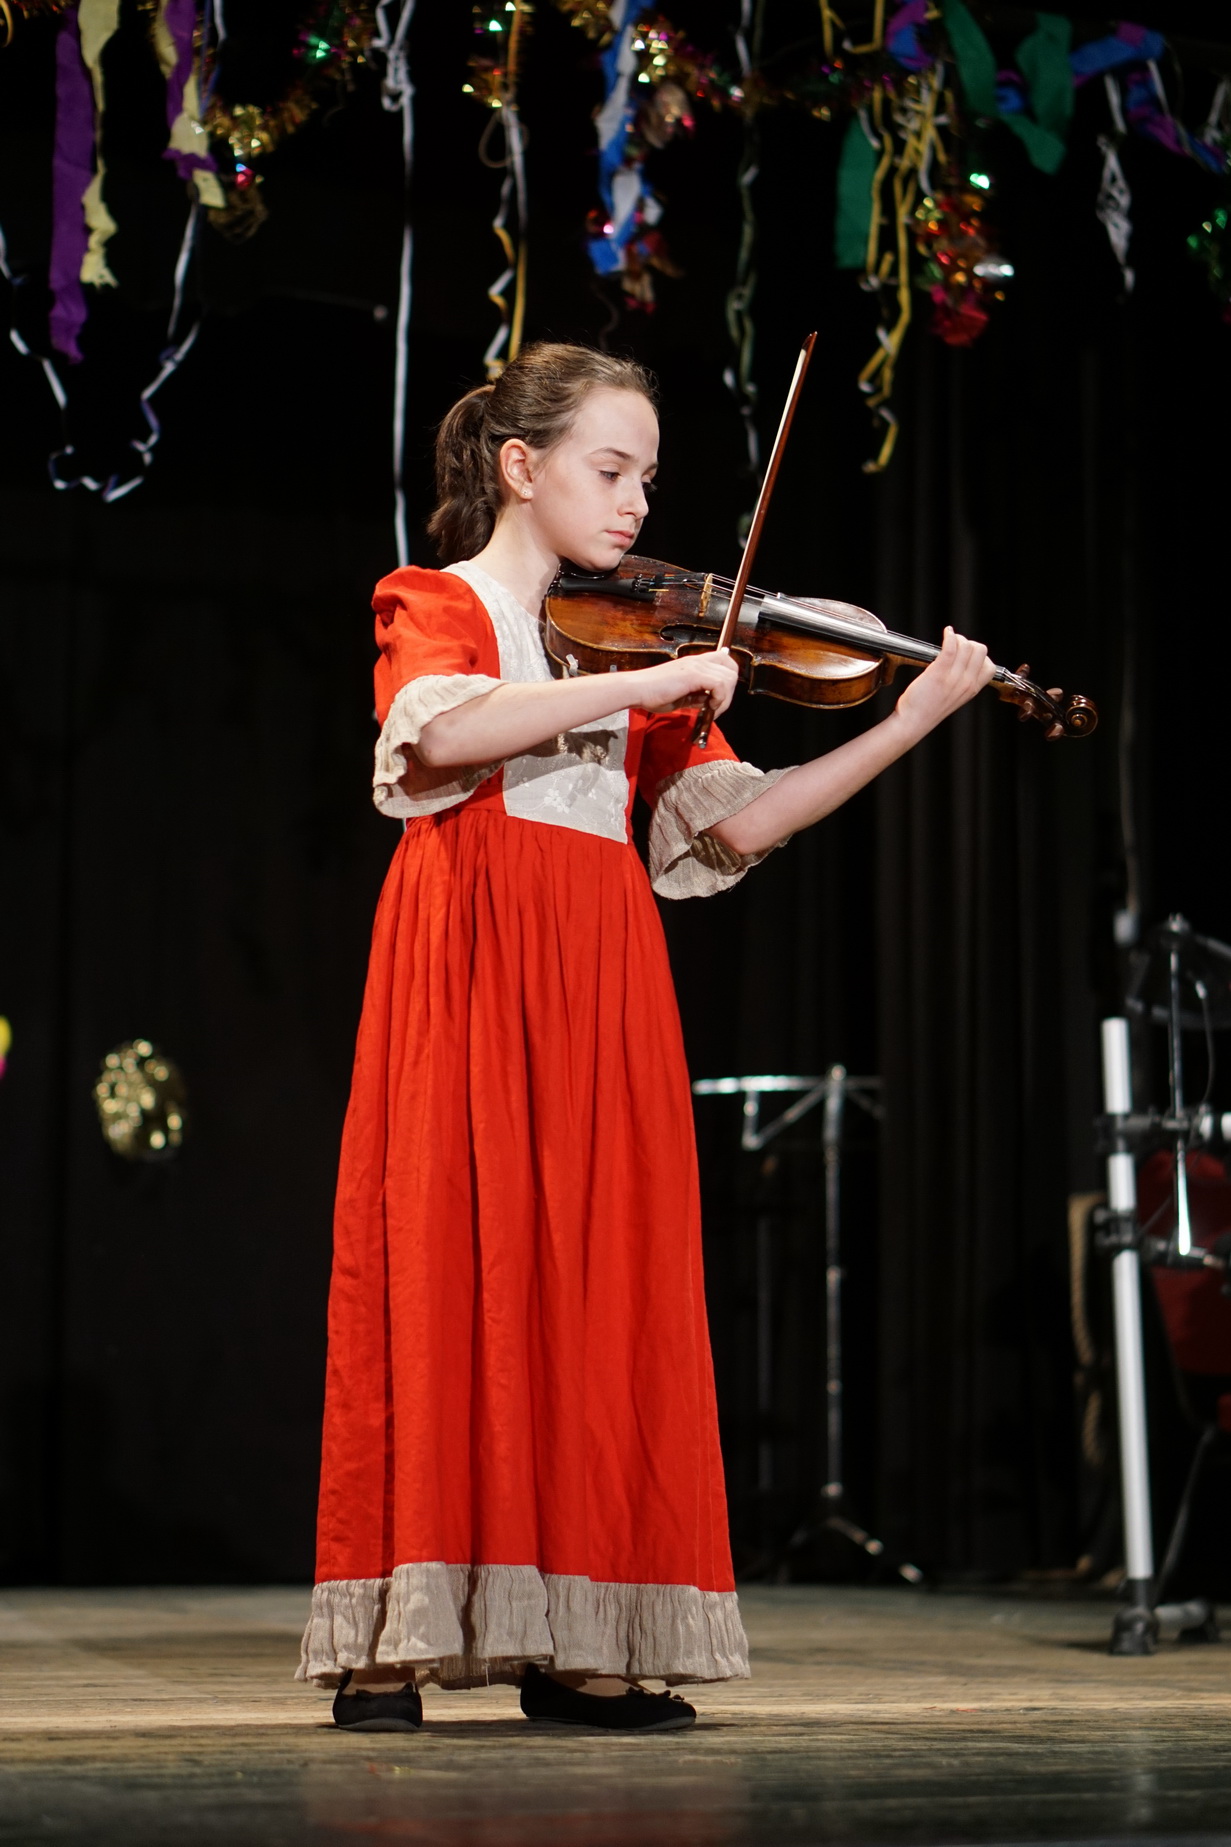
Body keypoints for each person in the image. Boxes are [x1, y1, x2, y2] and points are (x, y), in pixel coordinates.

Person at [298, 342, 992, 1734]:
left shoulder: (638, 647)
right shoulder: (439, 601)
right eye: (610, 471)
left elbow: (739, 826)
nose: (635, 505)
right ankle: (392, 1639)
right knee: (445, 1258)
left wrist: (911, 721)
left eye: (649, 480)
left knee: (597, 1278)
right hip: (474, 958)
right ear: (520, 466)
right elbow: (442, 740)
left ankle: (578, 1641)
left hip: (604, 975)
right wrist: (646, 691)